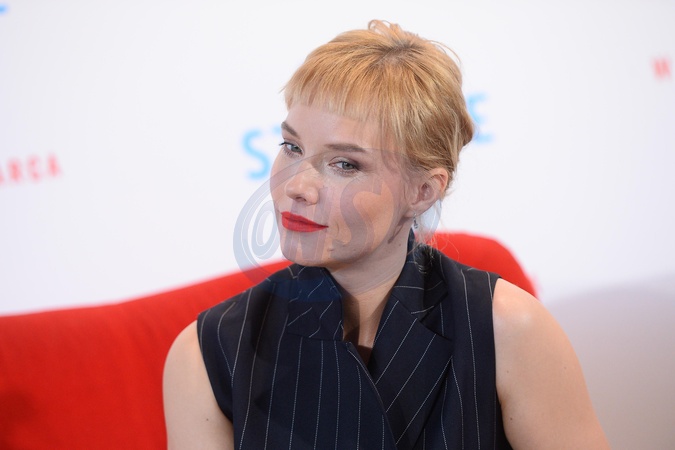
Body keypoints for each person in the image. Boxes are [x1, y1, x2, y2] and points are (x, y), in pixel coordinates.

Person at [163, 20, 609, 449]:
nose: (296, 186)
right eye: (292, 147)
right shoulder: (208, 354)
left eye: (345, 164)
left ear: (422, 191)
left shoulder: (508, 330)